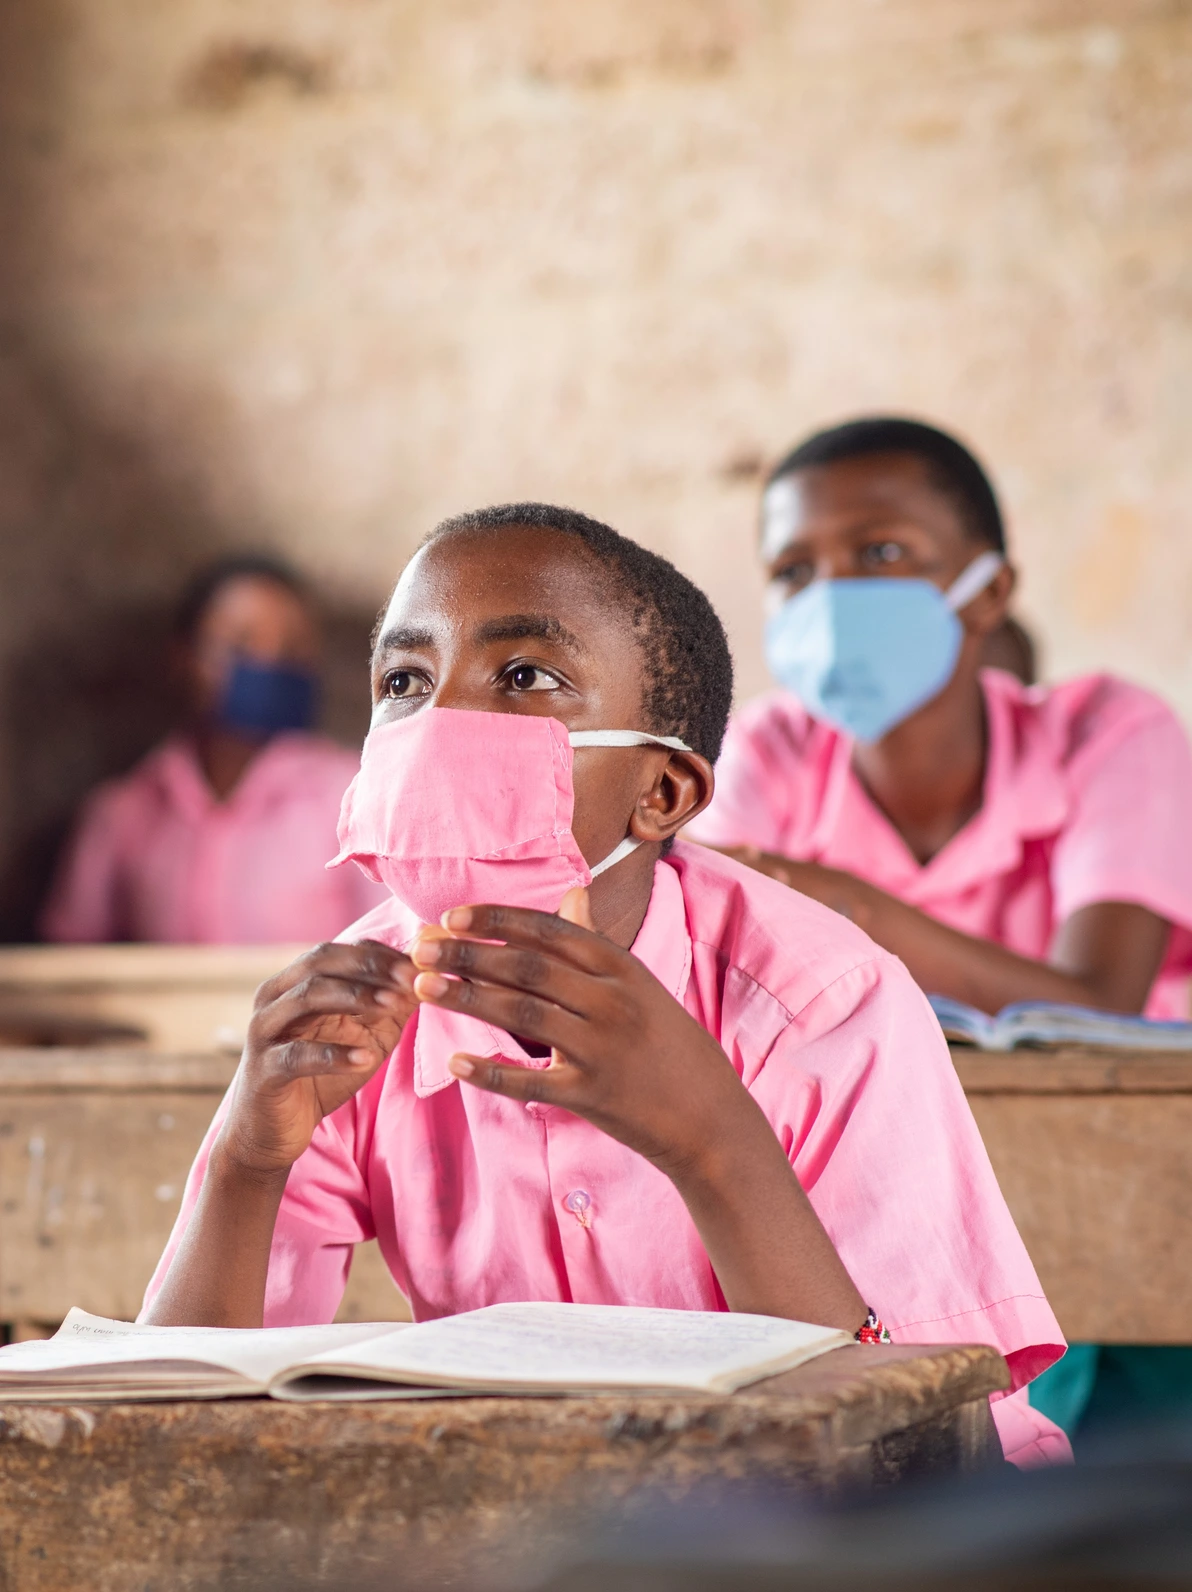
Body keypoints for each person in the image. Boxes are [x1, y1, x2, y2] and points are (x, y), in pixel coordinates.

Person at [142, 502, 1068, 1467]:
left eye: (525, 677)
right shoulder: (352, 1018)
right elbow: (160, 1443)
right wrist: (249, 1163)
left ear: (662, 792)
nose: (439, 722)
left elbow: (928, 1459)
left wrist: (714, 1142)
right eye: (405, 681)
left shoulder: (823, 1005)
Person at [687, 416, 1192, 1439]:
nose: (831, 595)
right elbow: (706, 979)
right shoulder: (769, 749)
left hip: (1122, 1171)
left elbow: (1098, 1001)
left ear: (990, 591)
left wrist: (852, 909)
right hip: (872, 1188)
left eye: (880, 553)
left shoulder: (1108, 731)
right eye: (793, 568)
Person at [40, 555, 385, 945]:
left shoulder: (355, 800)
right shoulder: (121, 816)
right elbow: (69, 969)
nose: (268, 661)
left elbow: (395, 946)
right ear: (183, 658)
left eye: (292, 647)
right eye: (240, 642)